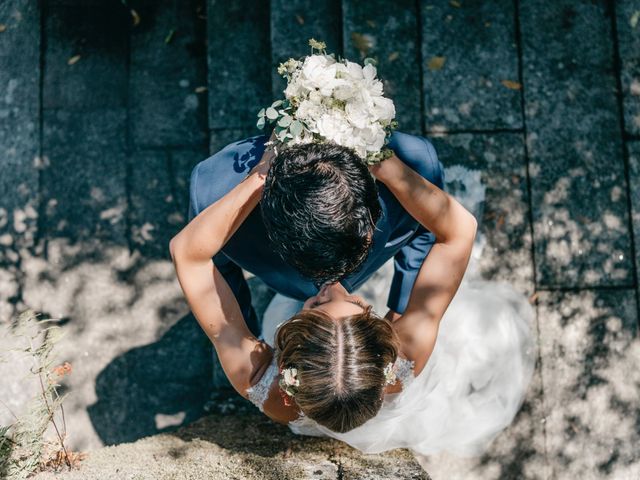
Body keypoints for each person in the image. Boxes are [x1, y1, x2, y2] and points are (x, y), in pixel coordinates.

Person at [171, 142, 534, 456]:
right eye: (358, 304)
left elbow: (187, 252)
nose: (331, 285)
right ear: (383, 341)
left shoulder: (260, 383)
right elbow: (460, 231)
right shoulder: (410, 349)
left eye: (317, 305)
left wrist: (261, 177)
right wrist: (388, 168)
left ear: (288, 364)